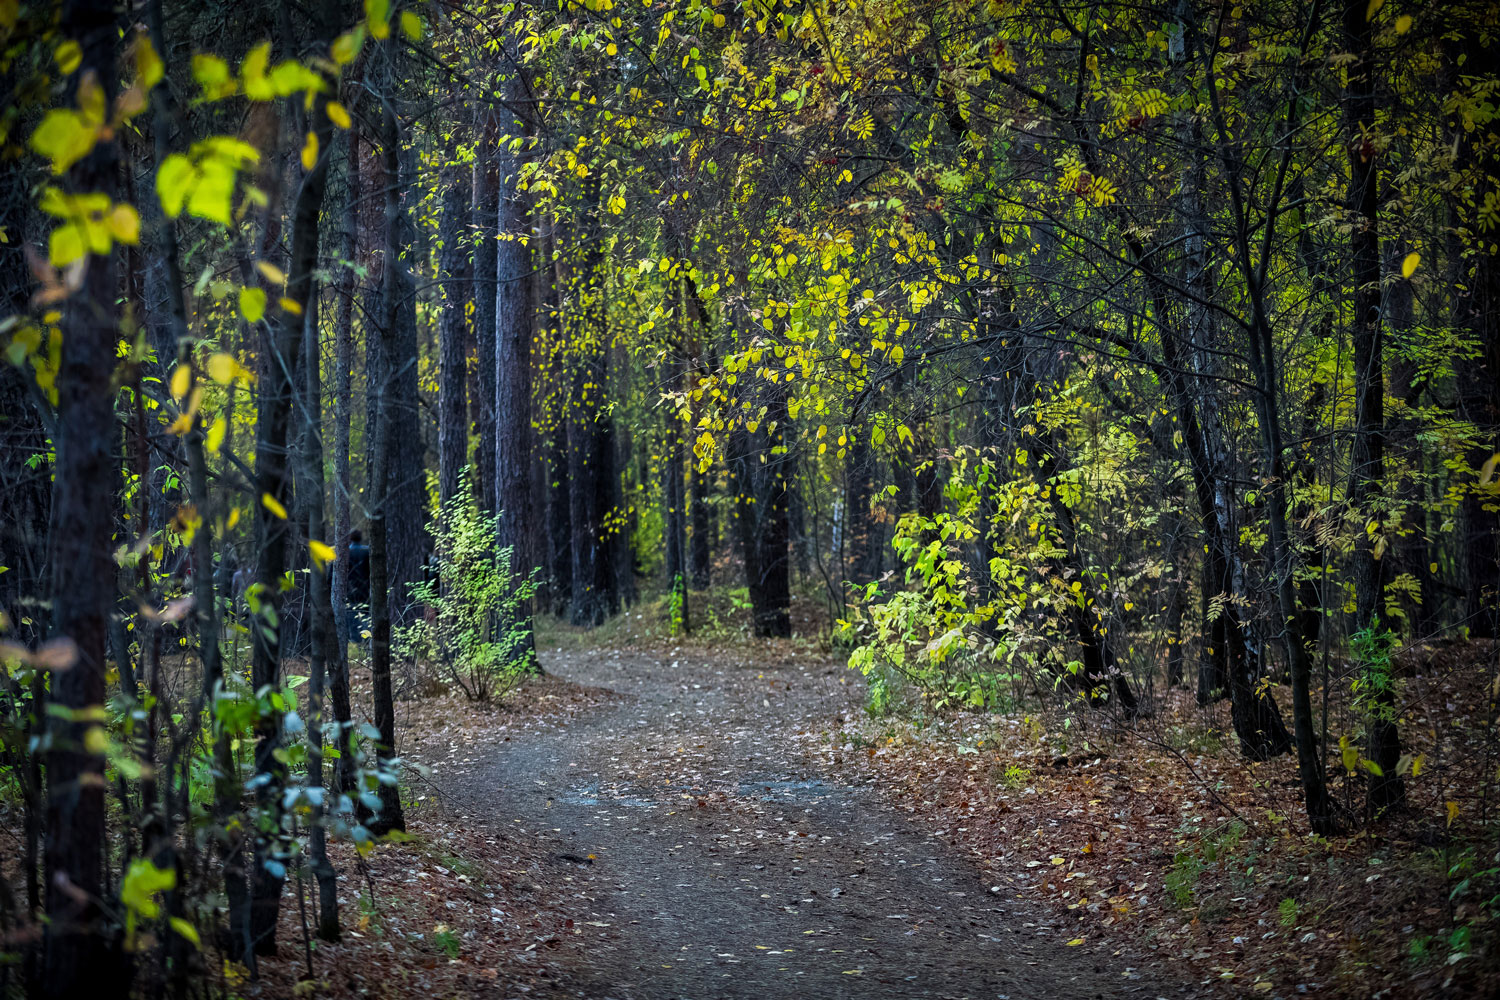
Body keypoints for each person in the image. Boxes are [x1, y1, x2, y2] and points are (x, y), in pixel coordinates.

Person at [347, 529, 370, 633]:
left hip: (349, 588)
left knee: (351, 613)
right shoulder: (367, 551)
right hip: (365, 588)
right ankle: (365, 636)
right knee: (365, 613)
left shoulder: (345, 552)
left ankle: (354, 638)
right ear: (360, 538)